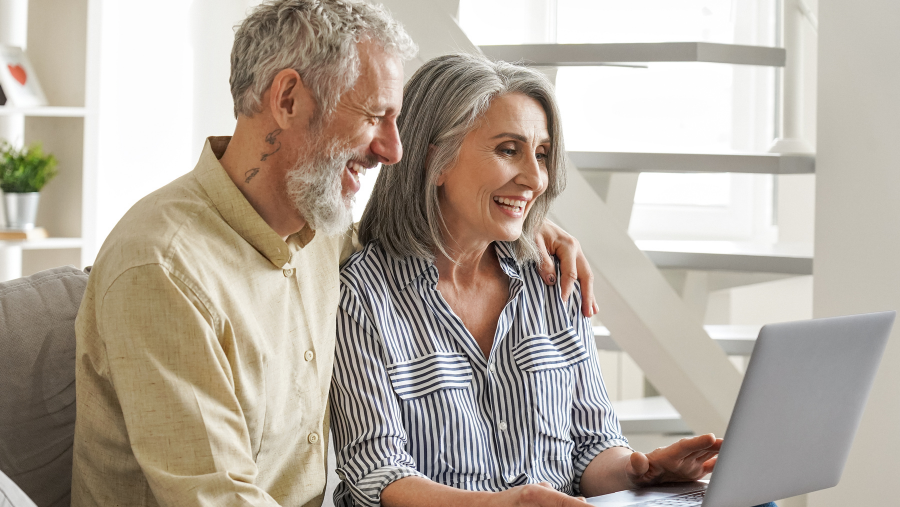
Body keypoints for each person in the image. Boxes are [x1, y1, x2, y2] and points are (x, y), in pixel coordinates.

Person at [71, 2, 595, 507]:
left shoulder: (321, 231)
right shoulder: (165, 267)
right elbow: (216, 497)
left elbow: (420, 233)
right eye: (375, 117)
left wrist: (525, 223)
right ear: (289, 99)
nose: (393, 150)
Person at [329, 53, 778, 507]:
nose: (535, 178)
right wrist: (511, 504)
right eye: (509, 150)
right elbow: (377, 475)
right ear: (436, 161)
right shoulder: (363, 296)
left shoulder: (551, 278)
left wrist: (640, 471)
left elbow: (591, 444)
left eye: (541, 154)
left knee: (756, 504)